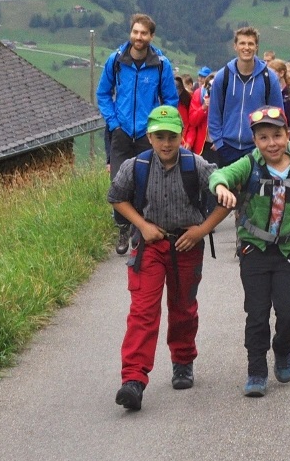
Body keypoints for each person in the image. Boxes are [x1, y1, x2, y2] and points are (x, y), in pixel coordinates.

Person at [209, 105, 290, 397]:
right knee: (256, 314)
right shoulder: (248, 165)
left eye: (277, 136)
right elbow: (219, 176)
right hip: (253, 249)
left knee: (289, 312)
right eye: (264, 137)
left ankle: (283, 349)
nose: (272, 143)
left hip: (287, 251)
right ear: (255, 141)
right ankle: (256, 370)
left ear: (288, 135)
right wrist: (221, 187)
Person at [109, 106, 230, 411]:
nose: (165, 143)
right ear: (149, 137)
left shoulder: (196, 165)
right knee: (142, 312)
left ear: (181, 137)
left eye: (172, 136)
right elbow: (117, 197)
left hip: (186, 247)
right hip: (149, 247)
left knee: (183, 309)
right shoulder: (134, 166)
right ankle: (133, 380)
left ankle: (183, 360)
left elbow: (225, 198)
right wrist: (143, 226)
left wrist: (201, 230)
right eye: (159, 136)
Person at [97, 13, 179, 255]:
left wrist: (158, 126)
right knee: (119, 184)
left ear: (151, 36)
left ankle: (138, 229)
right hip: (120, 133)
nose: (138, 37)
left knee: (145, 183)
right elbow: (103, 94)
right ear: (130, 33)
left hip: (147, 134)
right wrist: (114, 123)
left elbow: (170, 100)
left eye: (144, 33)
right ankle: (123, 227)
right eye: (135, 32)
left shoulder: (161, 64)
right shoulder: (115, 61)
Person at [207, 27, 284, 167]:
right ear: (235, 46)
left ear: (257, 47)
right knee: (228, 189)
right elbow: (214, 114)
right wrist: (219, 143)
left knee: (256, 189)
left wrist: (270, 144)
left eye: (250, 44)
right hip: (227, 147)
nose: (246, 48)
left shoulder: (269, 78)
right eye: (242, 43)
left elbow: (278, 115)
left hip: (258, 148)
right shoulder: (222, 77)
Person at [183, 67, 212, 155]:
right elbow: (192, 121)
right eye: (199, 76)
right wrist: (203, 108)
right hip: (200, 143)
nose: (200, 79)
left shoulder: (219, 92)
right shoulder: (197, 94)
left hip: (215, 142)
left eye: (203, 77)